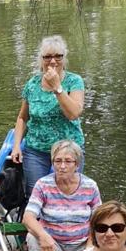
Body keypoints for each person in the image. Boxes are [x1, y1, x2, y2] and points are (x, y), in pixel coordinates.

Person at [11, 35, 85, 197]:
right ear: (41, 59)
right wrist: (16, 145)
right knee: (36, 194)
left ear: (64, 58)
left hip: (68, 151)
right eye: (48, 57)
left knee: (67, 192)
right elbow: (22, 118)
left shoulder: (74, 81)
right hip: (36, 151)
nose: (53, 61)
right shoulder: (32, 84)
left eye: (58, 56)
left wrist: (57, 87)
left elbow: (73, 114)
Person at [22, 140, 101, 251]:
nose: (62, 166)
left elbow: (99, 220)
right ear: (52, 163)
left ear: (77, 164)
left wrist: (90, 245)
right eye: (58, 161)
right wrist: (43, 235)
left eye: (68, 161)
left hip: (82, 243)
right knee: (32, 237)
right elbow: (28, 217)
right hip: (52, 244)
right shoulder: (43, 185)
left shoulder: (90, 186)